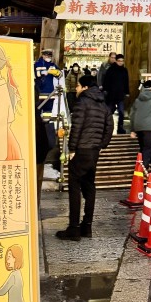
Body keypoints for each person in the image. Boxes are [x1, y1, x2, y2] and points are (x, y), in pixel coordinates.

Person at [56, 75, 113, 242]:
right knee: (89, 187)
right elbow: (110, 127)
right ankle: (87, 226)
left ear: (86, 87)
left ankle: (73, 228)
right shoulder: (103, 104)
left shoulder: (82, 102)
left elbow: (77, 127)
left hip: (81, 150)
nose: (76, 88)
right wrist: (101, 145)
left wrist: (72, 148)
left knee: (74, 187)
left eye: (79, 86)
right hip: (93, 151)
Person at [102, 54, 129, 134]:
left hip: (120, 95)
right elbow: (106, 81)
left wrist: (127, 92)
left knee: (121, 112)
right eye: (119, 61)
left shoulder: (124, 70)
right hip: (111, 94)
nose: (121, 62)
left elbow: (126, 82)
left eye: (122, 61)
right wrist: (105, 90)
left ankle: (120, 127)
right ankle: (107, 127)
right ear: (116, 61)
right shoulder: (111, 69)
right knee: (109, 111)